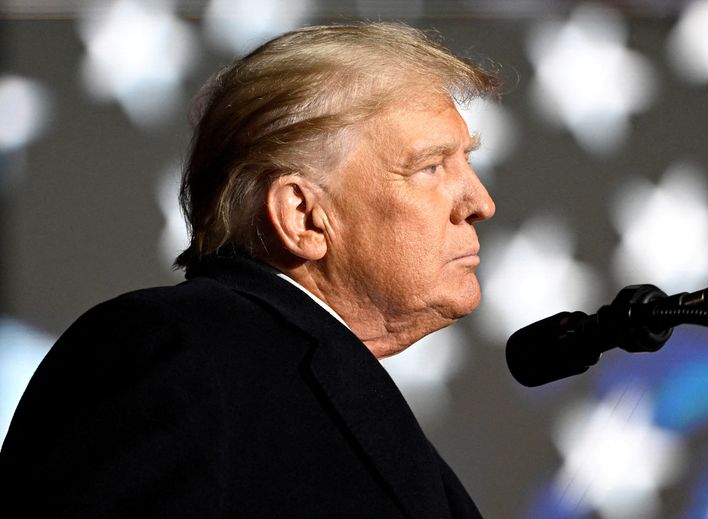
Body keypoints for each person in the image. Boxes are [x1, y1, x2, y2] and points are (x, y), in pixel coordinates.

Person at [0, 22, 499, 517]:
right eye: (431, 167)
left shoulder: (338, 389)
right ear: (303, 217)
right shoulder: (173, 350)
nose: (481, 202)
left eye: (467, 162)